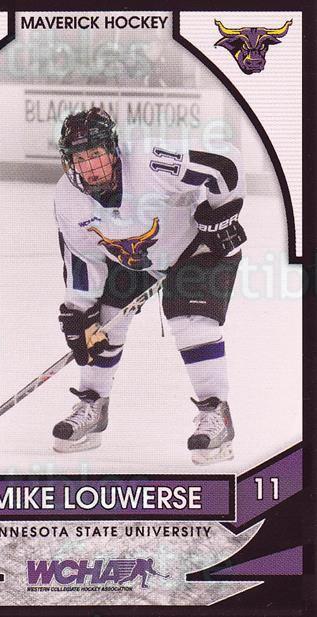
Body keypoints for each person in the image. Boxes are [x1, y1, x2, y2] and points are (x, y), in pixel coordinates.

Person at [52, 107, 246, 465]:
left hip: (197, 244)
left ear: (113, 149)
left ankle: (216, 414)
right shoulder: (67, 198)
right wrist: (79, 310)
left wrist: (222, 215)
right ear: (70, 162)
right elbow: (81, 259)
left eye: (96, 154)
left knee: (189, 322)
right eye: (81, 158)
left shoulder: (152, 160)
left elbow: (224, 164)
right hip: (138, 257)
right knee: (101, 324)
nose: (91, 167)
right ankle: (93, 405)